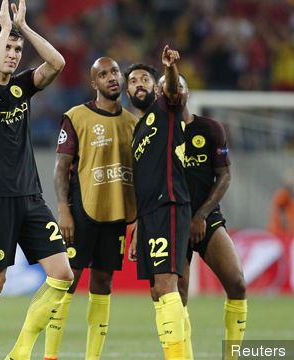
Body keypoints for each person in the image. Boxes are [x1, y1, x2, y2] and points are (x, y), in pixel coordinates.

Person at [0, 1, 73, 359]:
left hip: (31, 196)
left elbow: (57, 64)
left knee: (62, 275)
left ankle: (20, 352)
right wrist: (5, 28)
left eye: (18, 49)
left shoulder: (22, 86)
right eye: (7, 46)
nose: (13, 54)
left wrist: (23, 27)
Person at [44, 57, 138, 360]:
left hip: (116, 215)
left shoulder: (134, 124)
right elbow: (61, 168)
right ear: (93, 83)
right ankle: (50, 356)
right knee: (66, 283)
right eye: (103, 74)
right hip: (81, 211)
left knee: (103, 282)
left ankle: (92, 357)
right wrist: (64, 210)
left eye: (115, 72)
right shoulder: (76, 116)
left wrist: (135, 222)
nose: (111, 78)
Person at [155, 74, 247, 360]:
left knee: (237, 284)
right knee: (177, 298)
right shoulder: (155, 134)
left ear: (187, 91)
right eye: (167, 88)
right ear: (160, 94)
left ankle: (232, 355)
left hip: (207, 218)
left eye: (177, 86)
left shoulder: (210, 128)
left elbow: (224, 175)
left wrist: (202, 215)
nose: (173, 91)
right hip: (171, 221)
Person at [125, 46, 189, 360]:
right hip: (148, 215)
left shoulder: (166, 108)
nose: (139, 84)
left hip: (169, 205)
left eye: (145, 79)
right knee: (155, 291)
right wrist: (136, 227)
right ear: (127, 91)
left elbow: (176, 93)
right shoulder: (138, 131)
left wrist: (169, 69)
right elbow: (142, 183)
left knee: (166, 285)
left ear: (156, 87)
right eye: (133, 80)